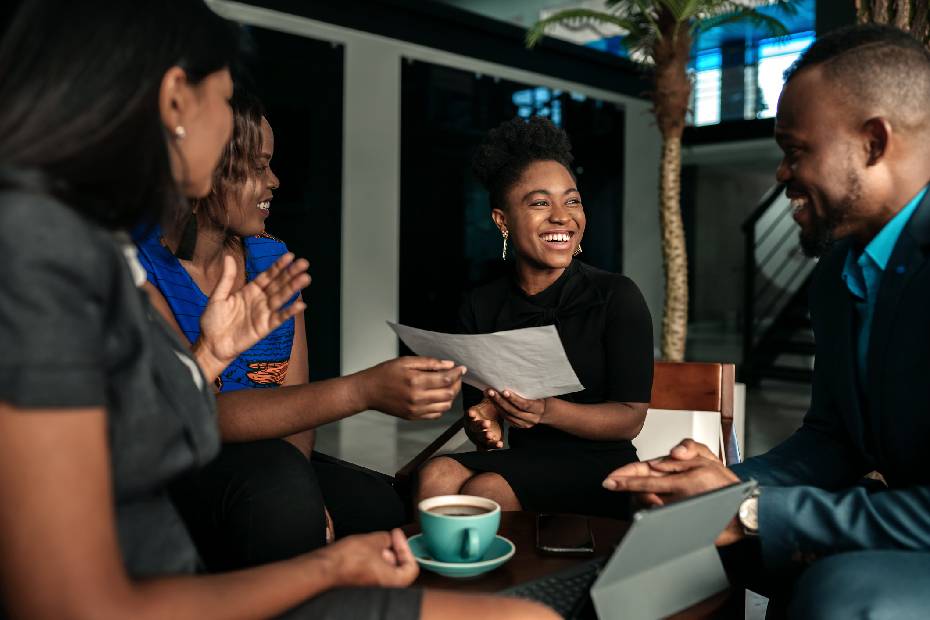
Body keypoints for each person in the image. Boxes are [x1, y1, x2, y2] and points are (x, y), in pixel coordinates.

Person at [0, 2, 557, 619]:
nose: (271, 179)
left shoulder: (86, 246)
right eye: (224, 99)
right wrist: (327, 566)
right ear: (177, 100)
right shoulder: (42, 261)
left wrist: (210, 354)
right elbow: (82, 604)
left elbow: (135, 435)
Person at [603, 24, 930, 619]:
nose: (781, 174)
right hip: (905, 518)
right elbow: (832, 439)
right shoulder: (838, 273)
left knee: (842, 594)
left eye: (795, 151)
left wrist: (751, 509)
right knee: (687, 542)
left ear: (873, 143)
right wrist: (718, 488)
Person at [135, 91, 456, 569]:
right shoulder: (140, 271)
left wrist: (305, 490)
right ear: (206, 168)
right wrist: (363, 390)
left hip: (275, 461)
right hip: (180, 463)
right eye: (258, 166)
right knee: (277, 488)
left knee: (378, 507)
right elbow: (200, 411)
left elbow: (295, 405)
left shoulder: (272, 259)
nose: (274, 181)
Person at [416, 117, 654, 517]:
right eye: (541, 203)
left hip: (601, 466)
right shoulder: (480, 305)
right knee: (436, 474)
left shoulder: (616, 295)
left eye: (572, 200)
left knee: (486, 489)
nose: (562, 216)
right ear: (502, 220)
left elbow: (630, 419)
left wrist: (547, 410)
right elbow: (482, 414)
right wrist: (484, 427)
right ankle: (442, 562)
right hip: (525, 459)